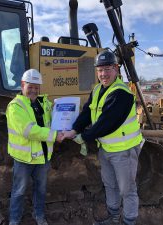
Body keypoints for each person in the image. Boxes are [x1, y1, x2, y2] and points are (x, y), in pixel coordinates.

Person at [62, 50, 143, 225]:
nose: (103, 74)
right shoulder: (98, 89)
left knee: (127, 190)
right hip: (106, 148)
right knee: (110, 185)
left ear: (116, 69)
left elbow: (107, 123)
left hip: (124, 150)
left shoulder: (122, 93)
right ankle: (113, 218)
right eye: (100, 70)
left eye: (107, 69)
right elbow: (86, 114)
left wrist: (83, 136)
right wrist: (74, 129)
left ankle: (129, 221)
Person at [6, 69, 63, 225]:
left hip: (43, 157)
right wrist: (54, 135)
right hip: (24, 159)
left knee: (41, 190)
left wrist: (66, 122)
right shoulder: (15, 106)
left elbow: (55, 123)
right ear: (23, 85)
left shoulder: (44, 104)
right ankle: (14, 219)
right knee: (18, 191)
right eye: (30, 86)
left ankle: (38, 215)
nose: (33, 90)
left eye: (36, 87)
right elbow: (28, 131)